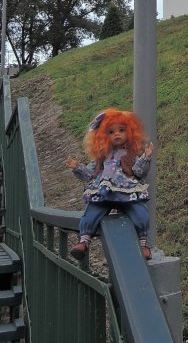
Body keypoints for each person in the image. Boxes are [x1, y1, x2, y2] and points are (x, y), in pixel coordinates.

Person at [66, 108, 154, 260]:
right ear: (104, 136)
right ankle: (84, 240)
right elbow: (90, 175)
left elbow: (139, 171)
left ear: (130, 133)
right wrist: (78, 168)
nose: (117, 134)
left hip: (127, 191)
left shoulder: (131, 154)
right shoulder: (102, 157)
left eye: (121, 130)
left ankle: (143, 243)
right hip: (104, 193)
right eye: (111, 132)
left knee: (140, 213)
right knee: (91, 211)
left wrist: (146, 158)